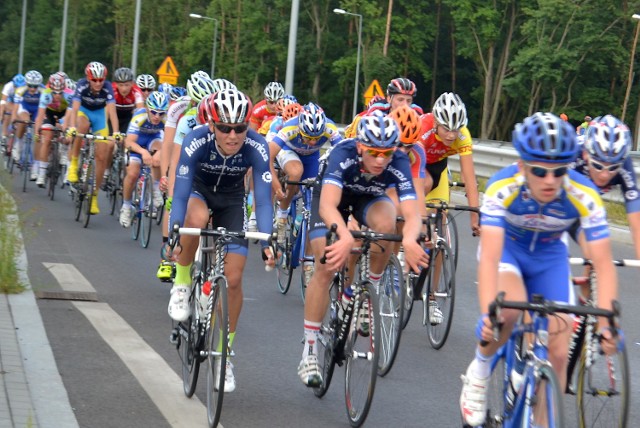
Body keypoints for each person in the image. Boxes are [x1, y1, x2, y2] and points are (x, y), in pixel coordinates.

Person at [459, 112, 618, 426]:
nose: (550, 181)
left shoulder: (583, 193)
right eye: (539, 171)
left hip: (549, 256)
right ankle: (479, 371)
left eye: (559, 171)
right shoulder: (502, 186)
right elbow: (489, 258)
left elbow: (602, 263)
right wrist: (488, 313)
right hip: (509, 251)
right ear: (522, 166)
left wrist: (606, 323)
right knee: (508, 311)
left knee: (559, 351)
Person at [297, 110, 429, 387]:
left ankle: (367, 291)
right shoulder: (342, 154)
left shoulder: (399, 161)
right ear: (360, 146)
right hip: (332, 200)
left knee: (388, 223)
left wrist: (409, 239)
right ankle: (309, 350)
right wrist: (344, 236)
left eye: (387, 153)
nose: (381, 160)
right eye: (373, 152)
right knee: (325, 265)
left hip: (366, 198)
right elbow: (328, 207)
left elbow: (413, 211)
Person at [167, 88, 275, 392]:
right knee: (197, 220)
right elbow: (181, 192)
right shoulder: (196, 139)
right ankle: (183, 282)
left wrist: (267, 241)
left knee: (235, 278)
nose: (232, 135)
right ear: (211, 125)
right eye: (225, 128)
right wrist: (175, 230)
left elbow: (264, 200)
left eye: (240, 128)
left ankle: (224, 354)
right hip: (199, 192)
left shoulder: (257, 145)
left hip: (231, 200)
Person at [571, 115, 640, 280]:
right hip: (560, 203)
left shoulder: (625, 165)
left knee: (595, 252)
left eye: (613, 168)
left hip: (587, 208)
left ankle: (587, 299)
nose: (604, 175)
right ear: (586, 154)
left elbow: (636, 220)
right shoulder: (572, 155)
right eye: (598, 165)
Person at [269, 102, 342, 245]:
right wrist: (276, 184)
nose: (313, 142)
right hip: (289, 151)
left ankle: (308, 259)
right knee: (296, 171)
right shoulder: (290, 127)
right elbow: (267, 157)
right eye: (308, 137)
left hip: (311, 158)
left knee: (314, 201)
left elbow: (342, 155)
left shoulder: (330, 127)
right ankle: (282, 214)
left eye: (317, 138)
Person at [420, 92, 480, 235]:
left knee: (439, 223)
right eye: (446, 129)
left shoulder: (463, 135)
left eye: (455, 129)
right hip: (417, 164)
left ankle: (438, 251)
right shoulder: (423, 129)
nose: (451, 135)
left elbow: (470, 179)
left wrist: (475, 218)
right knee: (425, 184)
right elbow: (415, 166)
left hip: (438, 166)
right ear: (436, 123)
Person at [66, 61, 121, 215]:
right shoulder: (81, 85)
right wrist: (71, 127)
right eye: (94, 80)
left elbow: (112, 111)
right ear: (88, 78)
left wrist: (115, 131)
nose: (98, 83)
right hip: (84, 112)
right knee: (81, 127)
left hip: (99, 116)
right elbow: (75, 108)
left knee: (102, 156)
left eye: (101, 80)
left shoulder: (108, 87)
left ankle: (94, 196)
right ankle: (74, 163)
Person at [118, 91, 168, 227]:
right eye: (153, 112)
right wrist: (143, 152)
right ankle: (126, 206)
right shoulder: (139, 116)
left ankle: (156, 187)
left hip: (153, 139)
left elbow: (169, 142)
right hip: (136, 143)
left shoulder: (166, 119)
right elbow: (129, 142)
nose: (157, 116)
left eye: (161, 113)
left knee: (158, 157)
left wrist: (160, 152)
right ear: (147, 108)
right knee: (133, 174)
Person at [33, 73, 73, 187]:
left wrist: (64, 125)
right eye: (54, 92)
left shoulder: (69, 94)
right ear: (50, 89)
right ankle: (41, 174)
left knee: (69, 137)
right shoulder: (45, 94)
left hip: (65, 113)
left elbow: (70, 115)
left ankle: (65, 155)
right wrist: (37, 132)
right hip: (50, 113)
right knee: (46, 139)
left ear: (64, 89)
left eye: (60, 92)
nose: (57, 95)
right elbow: (40, 116)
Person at [10, 70, 45, 177]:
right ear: (26, 83)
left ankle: (36, 164)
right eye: (30, 86)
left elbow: (46, 109)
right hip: (24, 107)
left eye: (35, 86)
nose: (33, 89)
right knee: (24, 120)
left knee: (38, 132)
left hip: (37, 110)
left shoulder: (44, 91)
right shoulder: (21, 90)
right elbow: (16, 108)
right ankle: (18, 145)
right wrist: (14, 119)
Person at [112, 67, 144, 134]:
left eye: (127, 85)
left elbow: (140, 110)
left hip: (128, 117)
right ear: (116, 84)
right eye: (121, 85)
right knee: (111, 140)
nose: (124, 89)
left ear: (132, 83)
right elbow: (107, 110)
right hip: (113, 115)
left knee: (126, 140)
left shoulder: (136, 91)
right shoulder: (112, 90)